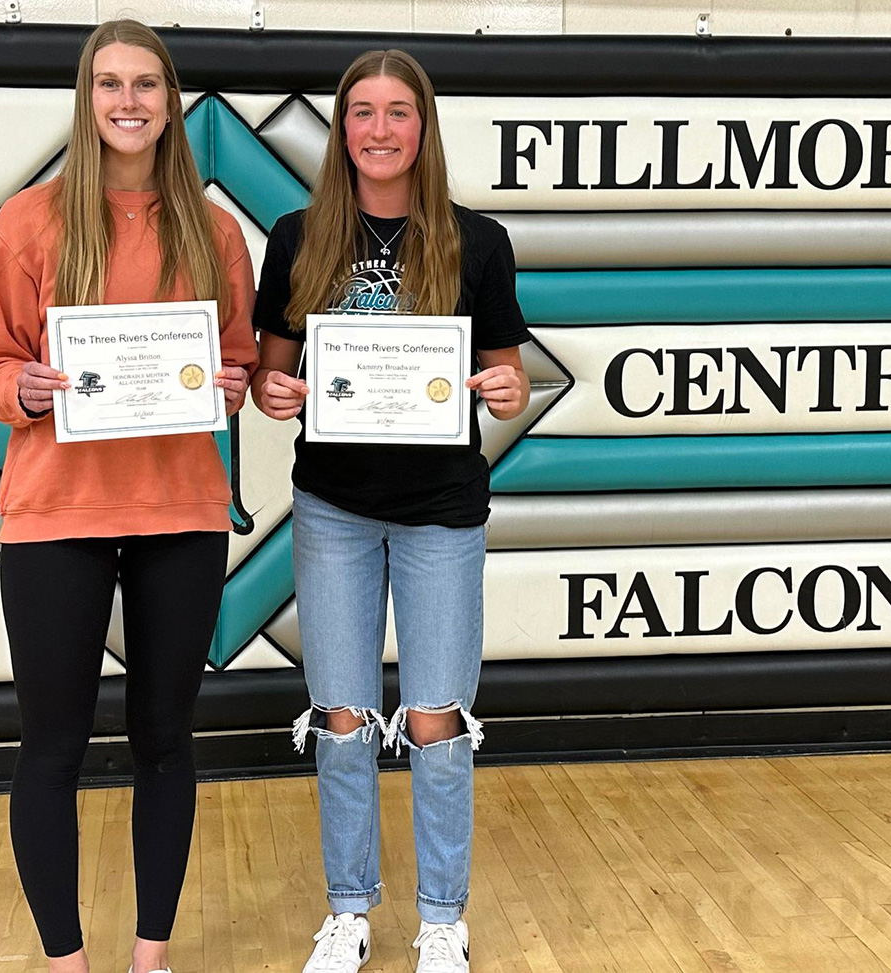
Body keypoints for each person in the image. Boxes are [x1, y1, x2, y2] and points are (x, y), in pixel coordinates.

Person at [0, 20, 256, 973]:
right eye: (108, 85)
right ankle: (65, 960)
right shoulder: (30, 220)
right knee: (51, 746)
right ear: (86, 101)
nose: (128, 102)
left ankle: (150, 956)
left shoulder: (215, 233)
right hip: (57, 517)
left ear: (171, 103)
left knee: (165, 741)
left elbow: (240, 359)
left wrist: (232, 383)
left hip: (180, 514)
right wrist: (25, 389)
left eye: (145, 85)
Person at [251, 48, 530, 973]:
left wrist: (499, 389)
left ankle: (442, 917)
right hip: (332, 505)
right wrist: (274, 392)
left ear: (423, 127)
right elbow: (270, 370)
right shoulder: (296, 235)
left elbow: (512, 377)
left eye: (398, 112)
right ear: (342, 130)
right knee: (339, 712)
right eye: (361, 112)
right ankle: (348, 910)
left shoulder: (477, 241)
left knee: (439, 714)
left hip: (441, 511)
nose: (378, 129)